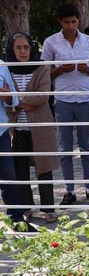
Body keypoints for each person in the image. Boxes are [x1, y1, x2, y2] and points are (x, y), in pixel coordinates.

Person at [41, 3, 89, 205]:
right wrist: (60, 70)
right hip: (63, 100)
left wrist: (87, 69)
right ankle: (69, 190)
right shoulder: (51, 42)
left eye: (74, 21)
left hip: (86, 98)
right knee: (66, 148)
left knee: (87, 146)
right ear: (60, 22)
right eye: (66, 22)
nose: (70, 26)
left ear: (79, 21)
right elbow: (43, 73)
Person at [6, 32, 60, 224]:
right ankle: (26, 207)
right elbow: (4, 97)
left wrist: (14, 100)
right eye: (18, 47)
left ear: (32, 48)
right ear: (11, 50)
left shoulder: (42, 67)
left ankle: (49, 209)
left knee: (44, 168)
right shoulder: (6, 69)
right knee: (19, 169)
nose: (22, 51)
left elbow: (42, 95)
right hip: (16, 128)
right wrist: (20, 103)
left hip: (40, 126)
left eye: (26, 47)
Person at [0, 56, 37, 232]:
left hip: (1, 132)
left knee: (9, 177)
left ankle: (17, 220)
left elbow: (14, 98)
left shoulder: (0, 65)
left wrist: (7, 98)